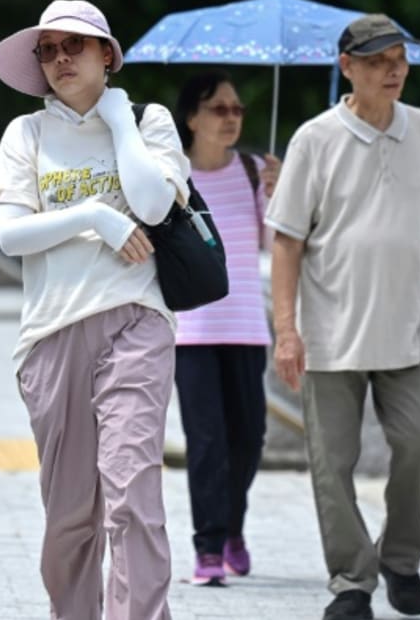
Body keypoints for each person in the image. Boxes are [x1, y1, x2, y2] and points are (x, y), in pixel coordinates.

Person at [0, 0, 190, 620]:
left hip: (136, 319)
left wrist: (120, 121)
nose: (60, 58)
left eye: (74, 45)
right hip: (51, 334)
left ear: (108, 54)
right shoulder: (28, 133)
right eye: (48, 49)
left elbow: (153, 207)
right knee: (71, 514)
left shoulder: (150, 123)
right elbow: (12, 234)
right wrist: (96, 217)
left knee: (132, 495)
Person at [265, 14, 420, 620]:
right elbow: (287, 242)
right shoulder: (314, 140)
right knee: (332, 462)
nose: (394, 69)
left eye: (399, 58)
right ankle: (352, 581)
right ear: (347, 67)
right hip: (331, 333)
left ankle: (401, 557)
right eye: (377, 60)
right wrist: (287, 331)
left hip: (412, 329)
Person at [170, 71, 280, 586]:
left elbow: (276, 244)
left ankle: (233, 527)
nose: (232, 117)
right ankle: (209, 547)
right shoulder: (172, 176)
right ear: (192, 118)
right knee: (207, 441)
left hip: (246, 329)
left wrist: (280, 196)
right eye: (219, 108)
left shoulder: (256, 171)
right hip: (192, 332)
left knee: (249, 438)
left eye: (237, 109)